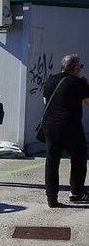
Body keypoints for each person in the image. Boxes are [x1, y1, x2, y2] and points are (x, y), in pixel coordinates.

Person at [41, 54, 89, 207]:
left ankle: (51, 198)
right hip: (70, 126)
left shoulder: (50, 80)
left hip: (50, 125)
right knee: (79, 158)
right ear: (75, 68)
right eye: (80, 67)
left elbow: (45, 101)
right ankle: (76, 193)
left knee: (52, 161)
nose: (80, 69)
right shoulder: (78, 82)